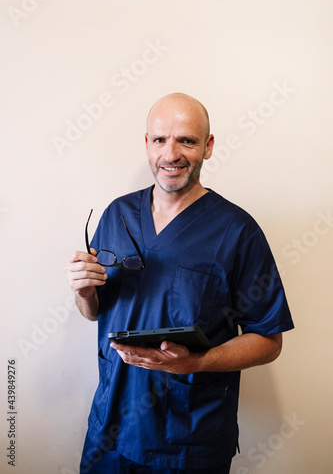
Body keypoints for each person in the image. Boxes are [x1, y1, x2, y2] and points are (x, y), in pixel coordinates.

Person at [65, 93, 294, 474]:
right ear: (147, 144)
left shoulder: (237, 232)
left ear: (208, 146)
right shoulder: (116, 214)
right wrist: (84, 293)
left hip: (188, 441)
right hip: (110, 429)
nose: (171, 154)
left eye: (186, 140)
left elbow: (269, 341)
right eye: (160, 140)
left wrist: (199, 361)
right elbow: (94, 313)